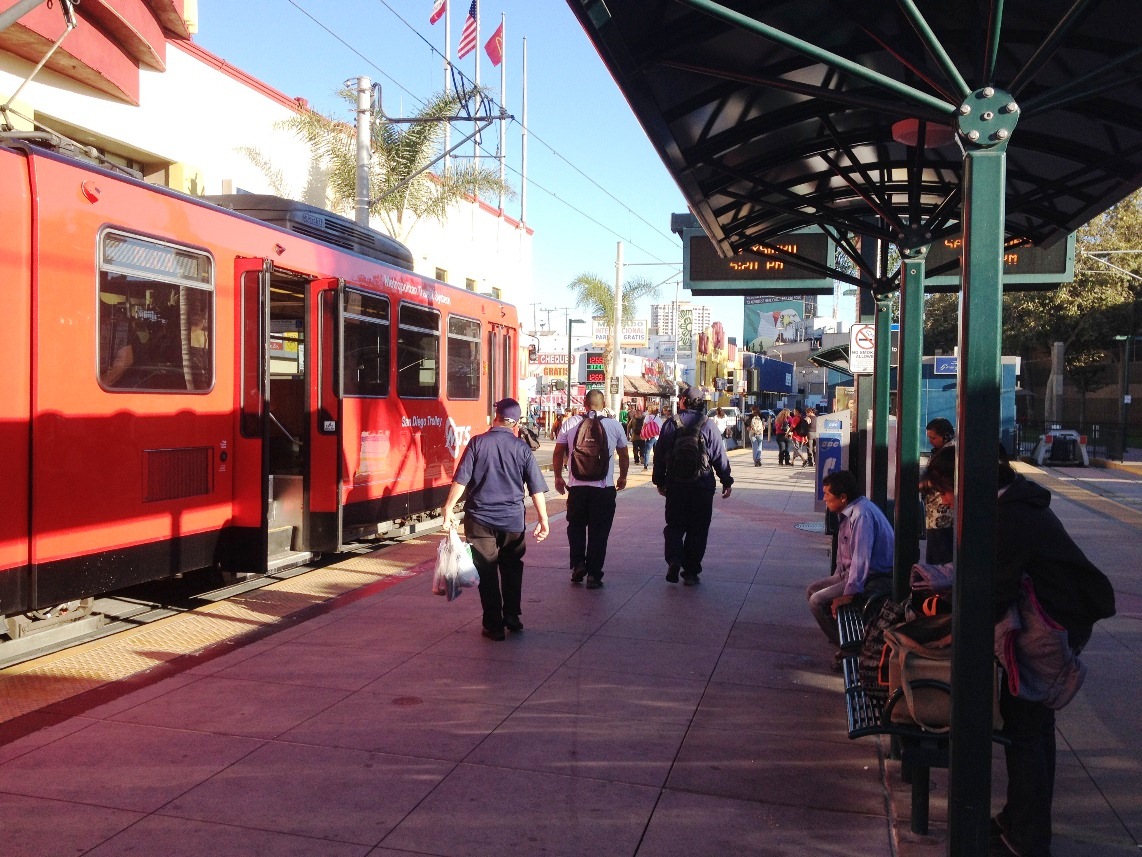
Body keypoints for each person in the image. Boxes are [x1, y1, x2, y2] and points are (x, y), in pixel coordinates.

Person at [922, 447, 1115, 857]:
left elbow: (997, 588)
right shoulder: (1011, 503)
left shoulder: (1009, 517)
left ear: (965, 484)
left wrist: (957, 631)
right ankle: (1019, 820)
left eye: (945, 491)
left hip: (1054, 624)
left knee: (1025, 727)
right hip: (1056, 617)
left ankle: (1028, 837)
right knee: (1030, 725)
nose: (946, 501)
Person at [442, 398, 550, 641]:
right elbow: (536, 489)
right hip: (512, 520)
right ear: (517, 422)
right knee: (512, 568)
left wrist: (449, 507)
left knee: (487, 571)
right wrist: (543, 519)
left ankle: (493, 625)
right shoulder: (522, 448)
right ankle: (512, 616)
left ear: (497, 417)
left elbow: (461, 480)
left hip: (480, 520)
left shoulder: (477, 443)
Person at [806, 470, 894, 650]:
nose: (824, 499)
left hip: (874, 578)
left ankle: (848, 649)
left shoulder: (861, 516)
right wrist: (838, 578)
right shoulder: (850, 511)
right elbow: (845, 555)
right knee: (813, 590)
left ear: (843, 497)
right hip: (851, 574)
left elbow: (861, 560)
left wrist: (847, 594)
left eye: (827, 494)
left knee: (817, 601)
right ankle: (841, 636)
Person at [652, 388, 733, 585]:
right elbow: (719, 457)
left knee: (674, 526)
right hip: (702, 486)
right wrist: (726, 480)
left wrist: (659, 481)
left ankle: (674, 560)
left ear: (684, 401)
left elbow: (660, 455)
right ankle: (690, 571)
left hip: (676, 485)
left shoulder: (671, 423)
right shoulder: (709, 425)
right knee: (698, 529)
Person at [552, 389, 630, 589]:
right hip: (603, 489)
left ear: (585, 404)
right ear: (603, 404)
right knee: (599, 532)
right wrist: (622, 476)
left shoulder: (570, 423)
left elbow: (559, 450)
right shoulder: (614, 425)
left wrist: (559, 477)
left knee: (576, 528)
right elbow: (623, 454)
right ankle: (594, 575)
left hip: (577, 488)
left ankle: (578, 564)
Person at [921, 417, 955, 563]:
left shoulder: (949, 455)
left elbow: (937, 479)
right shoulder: (940, 452)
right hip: (935, 515)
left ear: (946, 436)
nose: (930, 442)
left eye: (933, 438)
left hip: (943, 516)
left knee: (939, 558)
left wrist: (924, 484)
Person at [640, 406, 662, 470]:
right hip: (657, 436)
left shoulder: (648, 417)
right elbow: (661, 428)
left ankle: (645, 465)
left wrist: (643, 434)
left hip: (649, 437)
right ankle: (656, 464)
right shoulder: (659, 418)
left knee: (647, 451)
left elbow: (644, 426)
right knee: (656, 452)